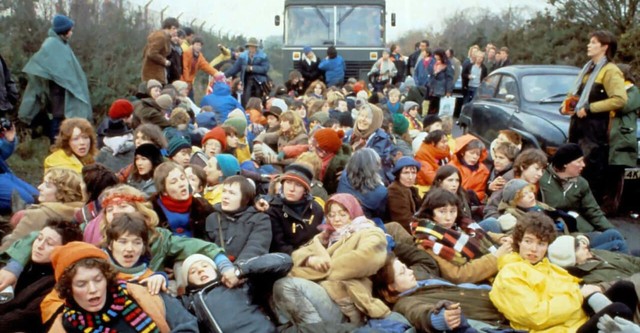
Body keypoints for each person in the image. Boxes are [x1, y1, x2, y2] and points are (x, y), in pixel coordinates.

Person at [489, 211, 636, 333]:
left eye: (541, 244)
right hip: (559, 330)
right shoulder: (510, 274)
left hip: (576, 318)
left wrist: (587, 294)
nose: (534, 249)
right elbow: (535, 317)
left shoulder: (547, 266)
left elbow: (574, 288)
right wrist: (579, 297)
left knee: (625, 288)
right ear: (519, 241)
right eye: (528, 241)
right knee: (619, 309)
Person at [273, 193, 390, 326]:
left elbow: (366, 259)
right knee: (272, 283)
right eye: (331, 215)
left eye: (342, 214)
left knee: (286, 285)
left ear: (353, 213)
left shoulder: (369, 232)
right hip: (322, 290)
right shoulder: (326, 236)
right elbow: (298, 254)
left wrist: (316, 271)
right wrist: (309, 260)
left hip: (345, 299)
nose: (336, 219)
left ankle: (317, 330)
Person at [47, 241, 199, 332]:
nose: (92, 289)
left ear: (107, 278)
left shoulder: (141, 294)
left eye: (98, 280)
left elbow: (186, 324)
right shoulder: (64, 327)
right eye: (81, 284)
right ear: (68, 289)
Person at [372, 251, 507, 332]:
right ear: (391, 287)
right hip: (497, 315)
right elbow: (418, 312)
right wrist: (438, 318)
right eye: (402, 273)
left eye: (406, 267)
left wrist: (392, 242)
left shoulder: (417, 279)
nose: (410, 271)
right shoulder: (404, 302)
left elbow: (422, 259)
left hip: (495, 294)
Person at [566, 30, 627, 206]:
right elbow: (578, 94)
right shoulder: (588, 68)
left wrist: (590, 108)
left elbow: (620, 99)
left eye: (593, 42)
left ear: (604, 47)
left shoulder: (610, 71)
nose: (588, 45)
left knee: (590, 168)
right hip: (578, 125)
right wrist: (569, 104)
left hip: (595, 128)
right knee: (573, 163)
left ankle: (589, 207)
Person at [18, 14, 92, 142]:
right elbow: (49, 70)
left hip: (65, 102)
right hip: (59, 103)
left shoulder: (62, 45)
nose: (72, 32)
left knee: (67, 138)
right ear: (64, 30)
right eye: (70, 29)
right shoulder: (52, 45)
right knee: (58, 138)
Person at [0, 219, 82, 332]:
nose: (40, 246)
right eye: (39, 238)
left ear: (64, 250)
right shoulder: (22, 264)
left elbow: (24, 317)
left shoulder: (56, 283)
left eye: (49, 243)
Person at [413, 189, 510, 284]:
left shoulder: (461, 224)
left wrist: (500, 239)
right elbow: (458, 275)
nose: (448, 217)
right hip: (474, 284)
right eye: (442, 212)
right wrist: (495, 257)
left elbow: (477, 234)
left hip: (489, 263)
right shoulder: (427, 242)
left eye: (452, 211)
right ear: (430, 213)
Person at [181, 252, 292, 333]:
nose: (200, 270)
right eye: (192, 271)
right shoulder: (189, 303)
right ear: (188, 282)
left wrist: (240, 270)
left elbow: (284, 261)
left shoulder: (239, 282)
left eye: (205, 266)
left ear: (215, 270)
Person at [1, 168, 84, 252]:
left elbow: (7, 251)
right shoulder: (83, 215)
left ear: (62, 193)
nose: (39, 187)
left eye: (47, 185)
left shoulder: (35, 215)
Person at [540, 143, 615, 233]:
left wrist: (610, 229)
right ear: (565, 164)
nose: (583, 165)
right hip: (552, 228)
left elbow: (593, 211)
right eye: (579, 161)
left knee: (613, 237)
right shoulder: (542, 179)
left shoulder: (581, 183)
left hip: (579, 229)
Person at [203, 175, 272, 262]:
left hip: (246, 271)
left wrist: (238, 269)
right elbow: (206, 249)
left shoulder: (260, 219)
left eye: (232, 193)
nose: (225, 196)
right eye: (224, 191)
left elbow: (256, 248)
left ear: (245, 198)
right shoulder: (212, 218)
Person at [266, 163, 324, 254]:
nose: (292, 189)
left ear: (305, 190)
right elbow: (279, 246)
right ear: (283, 185)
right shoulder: (273, 210)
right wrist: (305, 259)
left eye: (298, 185)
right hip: (287, 260)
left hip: (316, 254)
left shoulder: (316, 208)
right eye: (288, 183)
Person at [150, 161, 214, 238]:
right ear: (164, 191)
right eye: (174, 182)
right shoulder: (150, 210)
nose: (182, 184)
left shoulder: (203, 206)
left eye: (183, 178)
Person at [345, 103, 395, 183]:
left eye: (367, 117)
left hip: (371, 179)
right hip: (349, 176)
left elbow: (371, 163)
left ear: (375, 121)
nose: (363, 119)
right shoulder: (349, 134)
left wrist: (346, 171)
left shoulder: (382, 139)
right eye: (361, 115)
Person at [337, 148, 388, 220]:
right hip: (362, 225)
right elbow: (381, 214)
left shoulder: (344, 176)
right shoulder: (381, 192)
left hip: (338, 217)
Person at [0, 123, 38, 214]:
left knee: (37, 196)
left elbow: (3, 155)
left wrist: (8, 140)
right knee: (25, 200)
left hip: (4, 173)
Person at [224, 37, 270, 106]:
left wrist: (252, 68)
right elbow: (234, 69)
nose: (252, 49)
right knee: (246, 100)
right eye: (250, 47)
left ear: (256, 47)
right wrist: (222, 75)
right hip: (246, 81)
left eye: (253, 47)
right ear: (248, 47)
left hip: (259, 82)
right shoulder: (243, 57)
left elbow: (265, 69)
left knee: (259, 100)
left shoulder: (263, 56)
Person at [448, 134, 490, 204]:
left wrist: (473, 196)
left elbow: (482, 191)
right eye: (471, 153)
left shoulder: (484, 171)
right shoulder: (451, 167)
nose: (475, 157)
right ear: (462, 152)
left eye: (478, 154)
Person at [387, 157, 422, 233]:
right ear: (398, 174)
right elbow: (404, 221)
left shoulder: (412, 190)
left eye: (413, 173)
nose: (410, 177)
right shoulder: (395, 191)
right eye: (406, 173)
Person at [141, 17, 179, 84]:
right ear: (167, 27)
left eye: (176, 29)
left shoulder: (165, 37)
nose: (176, 31)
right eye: (173, 28)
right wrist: (164, 61)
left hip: (155, 72)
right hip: (153, 73)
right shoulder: (161, 37)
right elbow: (152, 53)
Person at [427, 49, 454, 114]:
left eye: (437, 55)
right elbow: (430, 73)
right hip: (432, 88)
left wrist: (448, 91)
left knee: (439, 108)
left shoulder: (447, 65)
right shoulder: (434, 63)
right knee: (431, 107)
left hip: (441, 89)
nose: (435, 56)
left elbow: (449, 79)